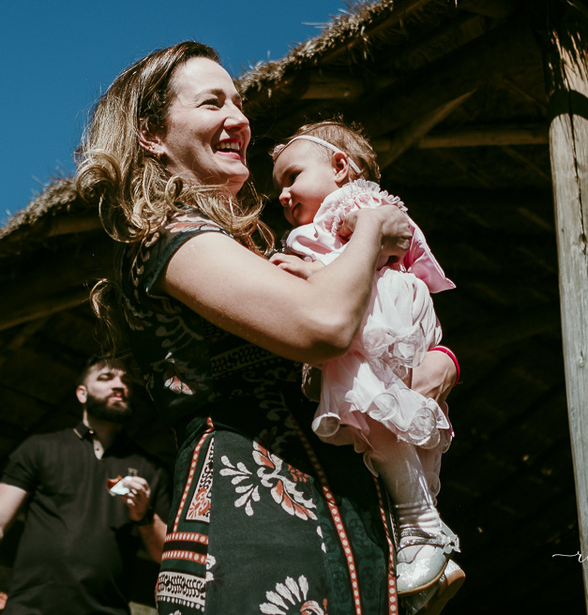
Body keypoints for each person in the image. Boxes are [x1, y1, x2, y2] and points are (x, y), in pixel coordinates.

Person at [75, 41, 419, 614]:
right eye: (212, 103)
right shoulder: (168, 240)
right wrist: (372, 228)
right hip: (252, 533)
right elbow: (325, 326)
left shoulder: (250, 251)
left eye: (238, 102)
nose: (239, 119)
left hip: (344, 532)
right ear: (152, 136)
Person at [270, 120, 463, 599]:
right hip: (379, 317)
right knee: (395, 424)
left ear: (340, 167)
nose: (282, 194)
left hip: (377, 314)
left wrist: (314, 271)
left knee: (371, 411)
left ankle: (423, 529)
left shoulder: (349, 206)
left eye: (291, 176)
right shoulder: (336, 215)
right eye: (279, 185)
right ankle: (429, 545)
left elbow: (371, 253)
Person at [0, 357, 171, 615]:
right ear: (82, 393)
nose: (120, 385)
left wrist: (144, 516)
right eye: (106, 378)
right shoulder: (41, 448)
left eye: (125, 380)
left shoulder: (150, 469)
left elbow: (166, 553)